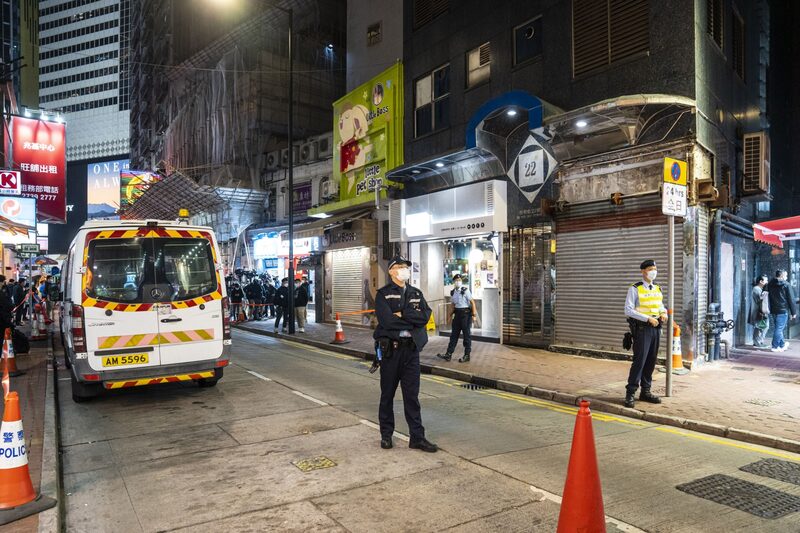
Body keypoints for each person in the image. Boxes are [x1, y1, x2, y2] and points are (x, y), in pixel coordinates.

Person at [373, 255, 437, 453]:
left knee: (412, 397)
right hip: (391, 352)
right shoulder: (383, 294)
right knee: (387, 395)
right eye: (400, 266)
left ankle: (417, 438)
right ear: (391, 271)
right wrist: (412, 320)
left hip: (411, 351)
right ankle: (386, 435)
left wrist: (404, 314)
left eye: (406, 266)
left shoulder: (416, 293)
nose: (404, 270)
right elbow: (387, 321)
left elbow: (425, 316)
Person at [623, 259, 668, 408]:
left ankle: (646, 392)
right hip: (642, 329)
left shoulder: (657, 288)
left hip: (656, 329)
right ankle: (630, 393)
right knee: (640, 361)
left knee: (651, 361)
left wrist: (663, 313)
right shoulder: (635, 288)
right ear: (643, 271)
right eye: (650, 269)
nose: (653, 272)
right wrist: (647, 318)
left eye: (655, 269)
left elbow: (660, 305)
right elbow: (628, 310)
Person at [436, 274, 477, 363]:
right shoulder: (453, 292)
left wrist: (474, 315)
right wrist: (449, 316)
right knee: (453, 335)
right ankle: (448, 354)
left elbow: (472, 302)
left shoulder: (465, 290)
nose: (458, 281)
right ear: (454, 282)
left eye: (459, 280)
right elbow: (453, 305)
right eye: (456, 280)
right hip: (457, 315)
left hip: (465, 315)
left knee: (466, 336)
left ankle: (467, 355)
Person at [768, 270, 797, 352]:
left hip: (773, 309)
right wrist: (793, 312)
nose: (786, 277)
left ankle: (782, 345)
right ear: (782, 276)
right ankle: (774, 346)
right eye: (786, 275)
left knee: (778, 328)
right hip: (783, 310)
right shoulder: (786, 284)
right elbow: (791, 299)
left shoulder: (770, 284)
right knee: (779, 329)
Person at [749, 275, 770, 348]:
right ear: (761, 281)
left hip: (759, 311)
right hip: (759, 311)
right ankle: (758, 342)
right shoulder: (757, 289)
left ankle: (758, 342)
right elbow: (760, 300)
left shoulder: (759, 289)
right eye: (766, 280)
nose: (767, 282)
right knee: (760, 327)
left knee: (760, 326)